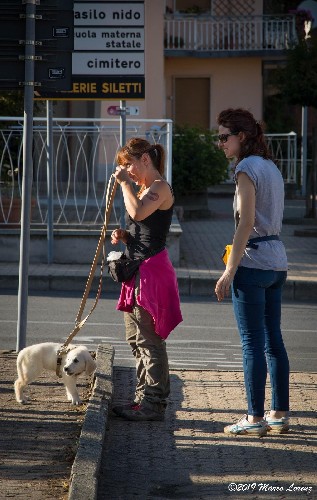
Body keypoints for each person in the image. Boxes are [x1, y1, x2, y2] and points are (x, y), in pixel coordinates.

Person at [215, 108, 290, 437]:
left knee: (252, 344)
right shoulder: (271, 167)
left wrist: (229, 271)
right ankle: (279, 413)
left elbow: (246, 223)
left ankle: (254, 418)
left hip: (253, 261)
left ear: (241, 136)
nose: (220, 143)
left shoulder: (245, 168)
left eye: (224, 137)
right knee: (274, 340)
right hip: (278, 260)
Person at [110, 137, 183, 422]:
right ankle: (143, 397)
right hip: (137, 269)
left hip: (151, 272)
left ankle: (154, 404)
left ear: (145, 160)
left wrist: (124, 185)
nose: (126, 170)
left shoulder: (160, 187)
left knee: (149, 340)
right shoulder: (143, 188)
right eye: (122, 166)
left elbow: (138, 212)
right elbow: (142, 226)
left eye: (128, 164)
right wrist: (124, 236)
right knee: (135, 339)